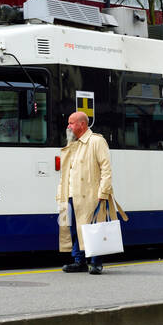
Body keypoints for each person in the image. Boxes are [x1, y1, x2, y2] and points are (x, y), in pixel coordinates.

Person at [56, 111, 123, 275]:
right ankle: (79, 261)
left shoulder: (96, 141)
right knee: (75, 230)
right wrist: (61, 194)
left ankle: (96, 263)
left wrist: (104, 192)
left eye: (71, 123)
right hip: (72, 195)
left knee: (94, 228)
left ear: (82, 124)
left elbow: (106, 169)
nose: (68, 126)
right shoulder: (73, 143)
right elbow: (66, 173)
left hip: (92, 195)